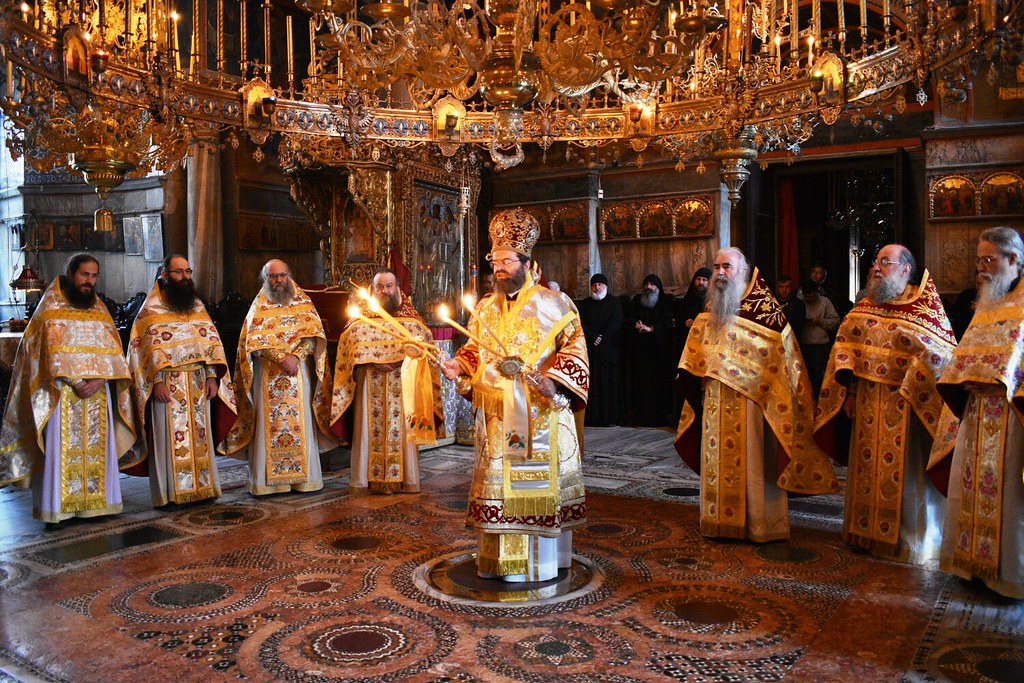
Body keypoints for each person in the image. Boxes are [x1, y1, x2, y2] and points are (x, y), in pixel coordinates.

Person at [441, 207, 589, 582]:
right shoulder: (484, 307)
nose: (500, 268)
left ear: (526, 262)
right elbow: (474, 351)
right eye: (495, 261)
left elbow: (575, 348)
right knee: (499, 485)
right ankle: (498, 563)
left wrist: (555, 380)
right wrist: (458, 366)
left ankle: (540, 565)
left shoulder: (554, 303)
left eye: (507, 261)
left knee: (535, 486)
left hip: (541, 414)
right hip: (497, 416)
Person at [675, 248, 837, 542]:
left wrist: (758, 384)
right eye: (717, 266)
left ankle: (760, 525)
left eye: (727, 266)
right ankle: (718, 522)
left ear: (742, 272)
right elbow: (699, 353)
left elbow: (783, 361)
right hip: (714, 400)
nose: (720, 272)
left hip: (753, 403)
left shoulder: (766, 312)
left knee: (754, 462)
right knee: (717, 461)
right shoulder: (711, 310)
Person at [815, 244, 956, 564]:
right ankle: (864, 532)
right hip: (867, 404)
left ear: (906, 269)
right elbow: (847, 345)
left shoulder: (925, 308)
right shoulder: (866, 305)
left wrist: (915, 378)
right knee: (867, 470)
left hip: (908, 408)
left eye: (885, 262)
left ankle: (910, 540)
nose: (876, 268)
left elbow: (943, 357)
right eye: (876, 261)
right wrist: (851, 391)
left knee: (906, 477)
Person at [0, 254, 137, 524]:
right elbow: (41, 354)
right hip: (60, 394)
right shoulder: (50, 308)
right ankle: (58, 510)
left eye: (94, 276)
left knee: (97, 450)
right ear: (71, 273)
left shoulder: (98, 310)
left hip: (97, 394)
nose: (90, 281)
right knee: (59, 453)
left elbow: (113, 351)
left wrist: (100, 380)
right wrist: (76, 381)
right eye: (85, 274)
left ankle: (97, 506)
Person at [928, 226, 1024, 599]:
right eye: (978, 260)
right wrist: (963, 381)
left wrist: (1002, 386)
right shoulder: (986, 303)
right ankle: (969, 564)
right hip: (976, 413)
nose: (981, 268)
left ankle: (1008, 575)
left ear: (1013, 259)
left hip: (1011, 416)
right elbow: (965, 356)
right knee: (969, 486)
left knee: (1008, 496)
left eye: (989, 260)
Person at [219, 260, 335, 495]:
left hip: (298, 374)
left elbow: (314, 336)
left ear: (288, 276)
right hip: (267, 375)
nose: (279, 280)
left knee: (301, 423)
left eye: (282, 275)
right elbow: (251, 343)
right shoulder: (259, 306)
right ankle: (267, 484)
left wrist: (296, 356)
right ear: (266, 279)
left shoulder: (302, 302)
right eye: (273, 276)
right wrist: (280, 358)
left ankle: (304, 480)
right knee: (267, 427)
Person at [127, 254, 235, 507]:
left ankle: (202, 489)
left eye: (188, 271)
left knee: (199, 437)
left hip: (198, 382)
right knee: (168, 441)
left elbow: (210, 343)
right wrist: (156, 382)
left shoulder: (196, 306)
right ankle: (170, 494)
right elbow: (143, 351)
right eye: (179, 272)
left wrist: (212, 376)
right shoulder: (150, 311)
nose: (185, 277)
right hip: (167, 385)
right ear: (164, 275)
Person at [329, 268, 442, 494]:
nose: (385, 291)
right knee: (366, 430)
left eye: (389, 286)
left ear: (398, 288)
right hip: (368, 382)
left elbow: (425, 347)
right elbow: (348, 348)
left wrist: (403, 359)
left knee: (403, 429)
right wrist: (370, 360)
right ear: (372, 289)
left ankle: (406, 478)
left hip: (403, 382)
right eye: (379, 287)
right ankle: (364, 480)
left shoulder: (412, 320)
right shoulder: (359, 320)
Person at [624, 273, 676, 427]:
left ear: (658, 287)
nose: (649, 287)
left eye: (652, 284)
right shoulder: (636, 301)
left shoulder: (665, 301)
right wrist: (636, 324)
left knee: (659, 385)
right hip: (640, 351)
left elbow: (668, 323)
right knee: (640, 385)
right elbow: (628, 318)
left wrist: (652, 329)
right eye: (646, 284)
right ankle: (640, 417)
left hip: (659, 352)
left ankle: (659, 418)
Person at [576, 273, 623, 427]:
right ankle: (592, 418)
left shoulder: (614, 303)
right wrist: (592, 337)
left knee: (608, 385)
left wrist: (602, 337)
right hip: (590, 351)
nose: (597, 287)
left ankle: (609, 418)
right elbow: (580, 323)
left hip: (608, 350)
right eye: (594, 285)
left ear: (606, 286)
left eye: (600, 285)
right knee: (592, 386)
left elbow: (616, 323)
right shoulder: (584, 304)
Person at [800, 280, 839, 395]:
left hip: (820, 346)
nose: (809, 299)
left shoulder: (825, 302)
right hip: (803, 344)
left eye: (811, 296)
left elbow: (836, 322)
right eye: (807, 297)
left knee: (819, 377)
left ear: (816, 292)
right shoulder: (799, 303)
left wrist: (821, 321)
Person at [674, 267, 710, 353]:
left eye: (704, 280)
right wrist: (685, 322)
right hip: (688, 339)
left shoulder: (713, 301)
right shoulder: (686, 300)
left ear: (710, 283)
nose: (701, 282)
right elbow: (678, 318)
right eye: (698, 279)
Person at [775, 274, 806, 340]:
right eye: (781, 287)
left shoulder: (799, 304)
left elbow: (799, 326)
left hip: (793, 340)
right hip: (776, 339)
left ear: (791, 287)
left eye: (787, 287)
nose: (784, 290)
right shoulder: (773, 304)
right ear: (777, 288)